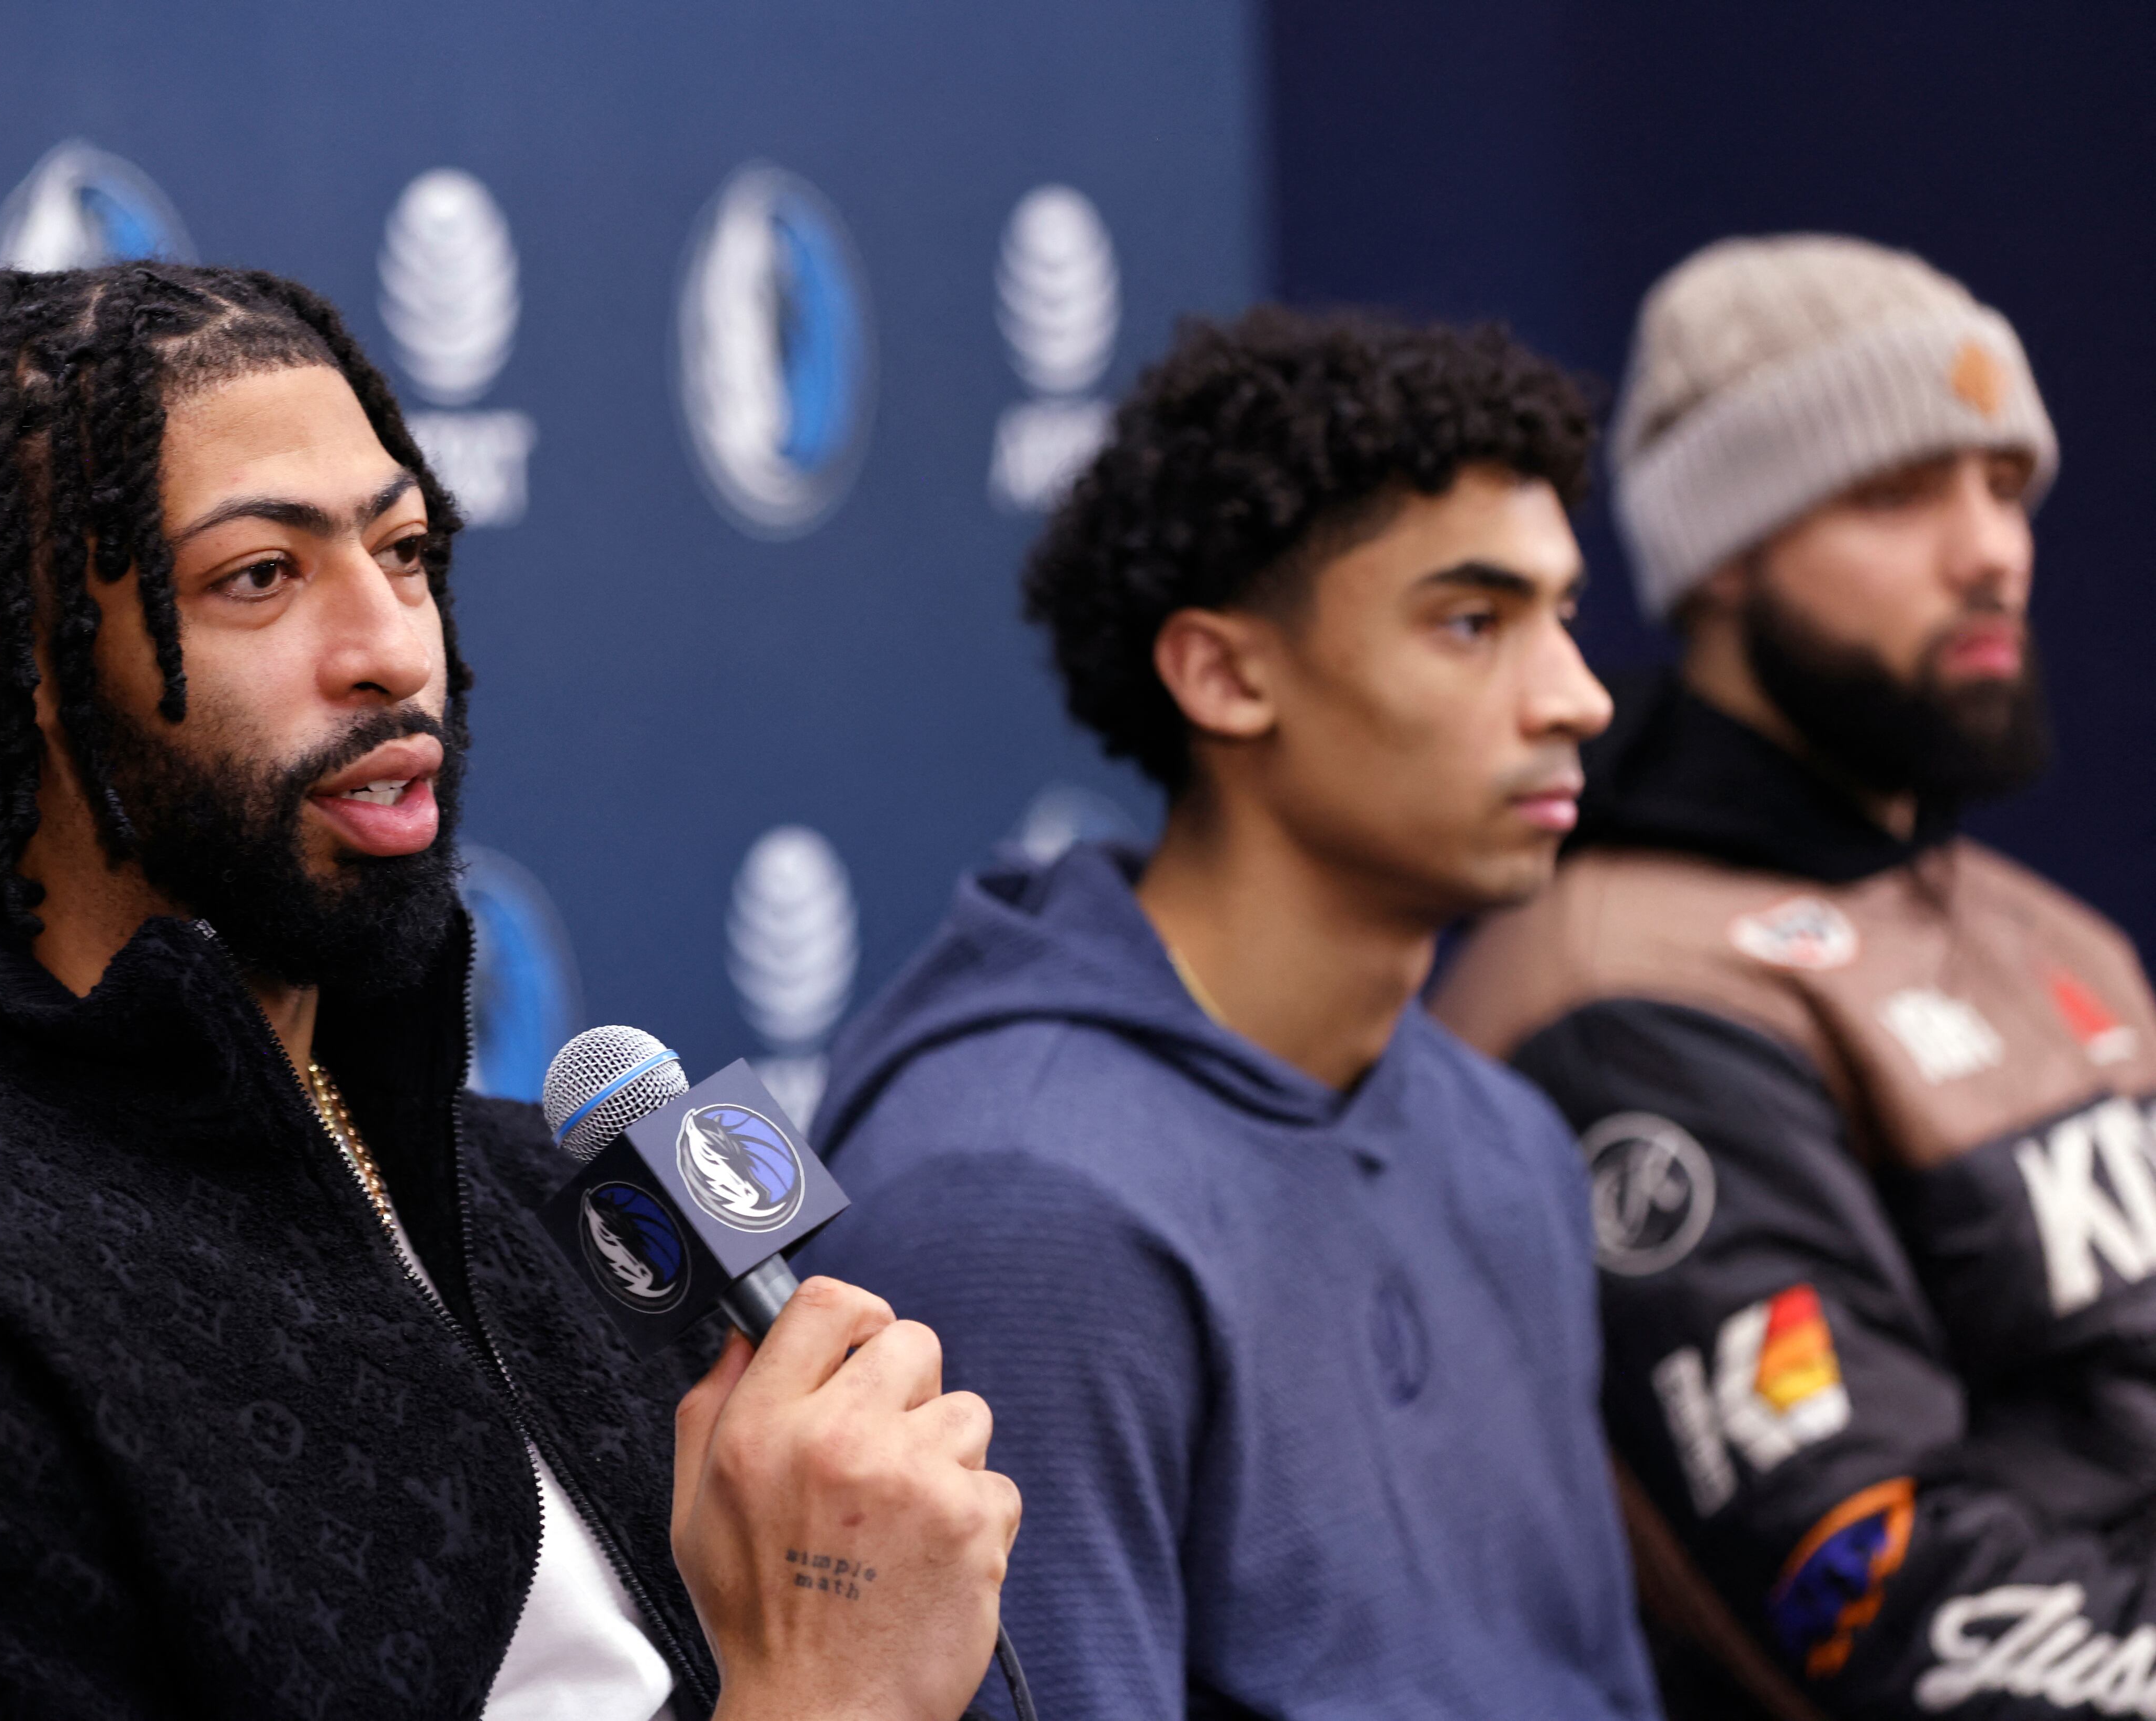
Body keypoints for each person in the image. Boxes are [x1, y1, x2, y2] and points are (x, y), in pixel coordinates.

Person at [0, 263, 1018, 1721]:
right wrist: (822, 1693)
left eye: (405, 552)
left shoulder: (558, 1190)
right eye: (261, 575)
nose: (393, 651)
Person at [797, 306, 1660, 1718]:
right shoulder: (1018, 1199)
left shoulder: (1506, 1136)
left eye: (1561, 617)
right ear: (1225, 674)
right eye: (1472, 623)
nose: (1578, 697)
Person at [1432, 235, 2156, 1720]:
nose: (1992, 551)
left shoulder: (2051, 933)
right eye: (1899, 494)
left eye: (2005, 486)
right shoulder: (1623, 1000)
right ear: (1725, 553)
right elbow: (1883, 1601)